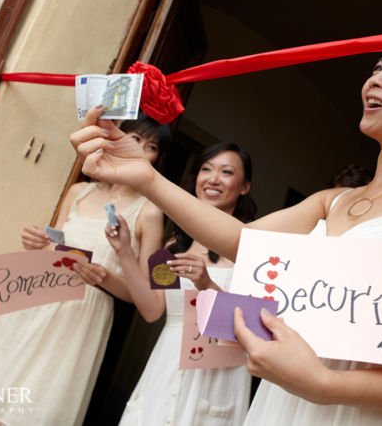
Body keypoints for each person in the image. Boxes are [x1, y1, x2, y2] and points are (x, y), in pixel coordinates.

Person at [70, 47, 382, 425]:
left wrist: (322, 383)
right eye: (377, 66)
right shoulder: (330, 201)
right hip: (278, 404)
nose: (375, 77)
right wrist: (145, 178)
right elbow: (242, 242)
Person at [0, 116, 170, 426]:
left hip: (79, 319)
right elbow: (54, 248)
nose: (140, 150)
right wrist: (38, 243)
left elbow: (147, 300)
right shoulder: (79, 192)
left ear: (156, 159)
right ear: (115, 138)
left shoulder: (149, 212)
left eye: (151, 147)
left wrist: (106, 277)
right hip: (38, 303)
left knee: (32, 414)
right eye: (136, 138)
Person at [82, 142, 257, 426]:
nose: (213, 179)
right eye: (206, 169)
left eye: (226, 172)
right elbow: (152, 309)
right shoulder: (173, 244)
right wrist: (125, 250)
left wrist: (206, 285)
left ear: (245, 186)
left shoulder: (250, 247)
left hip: (218, 373)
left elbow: (252, 327)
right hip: (167, 363)